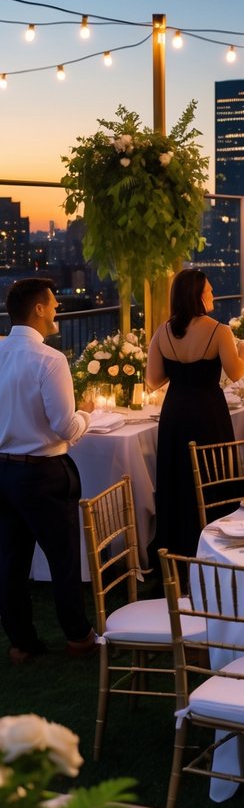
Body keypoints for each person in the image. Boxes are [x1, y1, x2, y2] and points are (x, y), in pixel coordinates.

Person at [0, 277, 95, 663]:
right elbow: (65, 428)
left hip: (4, 473)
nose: (57, 309)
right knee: (63, 559)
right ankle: (77, 637)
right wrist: (88, 412)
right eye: (53, 304)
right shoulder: (50, 359)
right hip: (43, 474)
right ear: (38, 309)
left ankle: (21, 643)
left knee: (10, 561)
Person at [147, 269, 244, 555]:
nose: (213, 294)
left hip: (175, 413)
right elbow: (236, 373)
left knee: (178, 477)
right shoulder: (219, 330)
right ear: (198, 295)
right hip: (208, 413)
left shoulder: (162, 331)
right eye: (210, 290)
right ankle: (218, 545)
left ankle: (177, 545)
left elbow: (153, 379)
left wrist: (180, 369)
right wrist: (241, 351)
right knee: (212, 473)